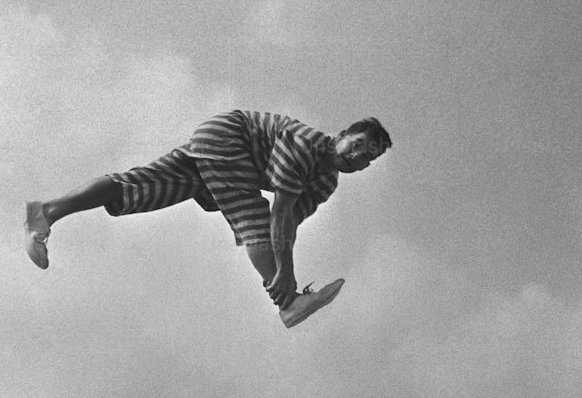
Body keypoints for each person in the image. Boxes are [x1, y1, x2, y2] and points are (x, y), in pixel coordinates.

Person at [23, 109, 391, 327]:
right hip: (229, 139)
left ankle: (46, 213)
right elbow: (277, 212)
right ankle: (288, 304)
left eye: (365, 158)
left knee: (141, 186)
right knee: (252, 215)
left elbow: (290, 222)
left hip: (226, 150)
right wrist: (285, 277)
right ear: (341, 135)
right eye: (355, 145)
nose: (356, 157)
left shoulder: (326, 181)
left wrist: (282, 265)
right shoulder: (305, 145)